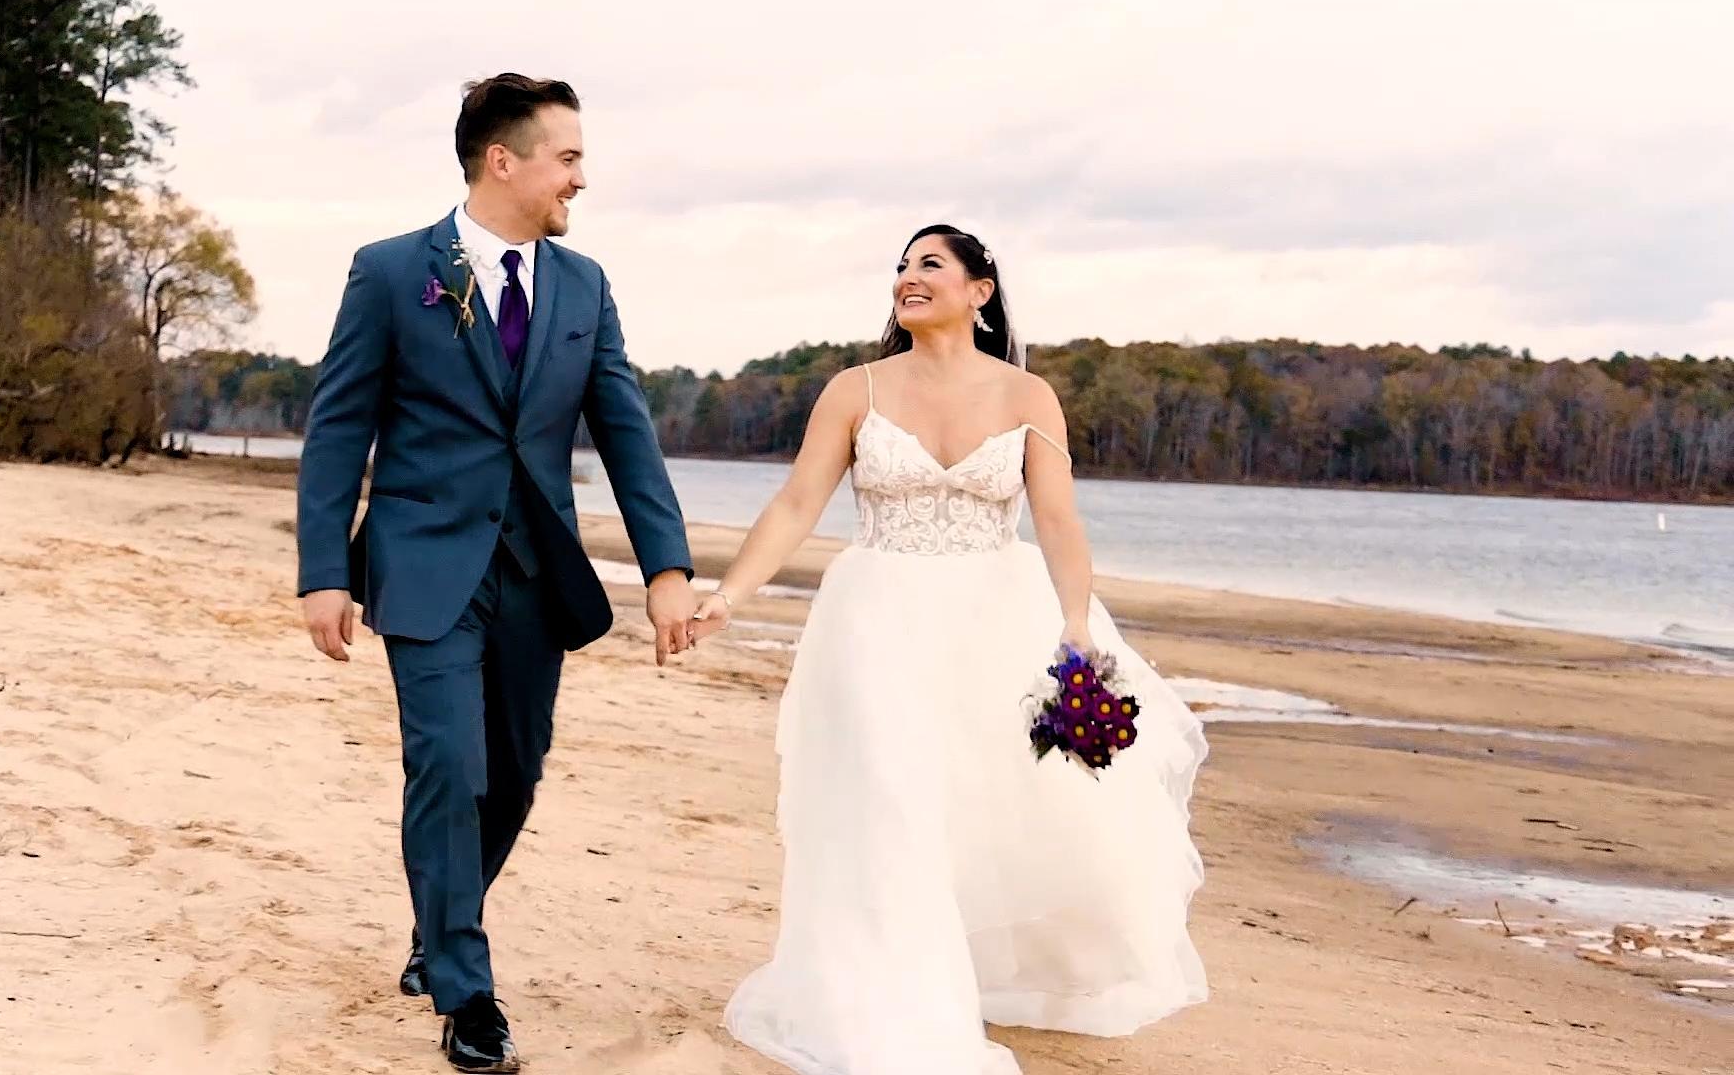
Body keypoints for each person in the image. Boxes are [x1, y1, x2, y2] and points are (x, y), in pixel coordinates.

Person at [693, 225, 1209, 1074]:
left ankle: (983, 967)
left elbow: (1058, 520)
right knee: (887, 796)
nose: (908, 277)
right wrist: (728, 595)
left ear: (980, 291)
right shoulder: (854, 390)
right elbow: (796, 504)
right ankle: (896, 998)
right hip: (876, 616)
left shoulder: (1029, 397)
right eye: (901, 266)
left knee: (985, 800)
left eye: (929, 264)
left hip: (994, 616)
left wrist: (1076, 625)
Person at [294, 73, 697, 1073]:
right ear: (502, 160)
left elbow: (626, 433)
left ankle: (438, 925)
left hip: (534, 570)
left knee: (513, 770)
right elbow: (339, 425)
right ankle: (467, 997)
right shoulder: (392, 272)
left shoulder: (585, 286)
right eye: (569, 158)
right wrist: (322, 570)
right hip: (423, 561)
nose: (580, 180)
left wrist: (667, 568)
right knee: (448, 763)